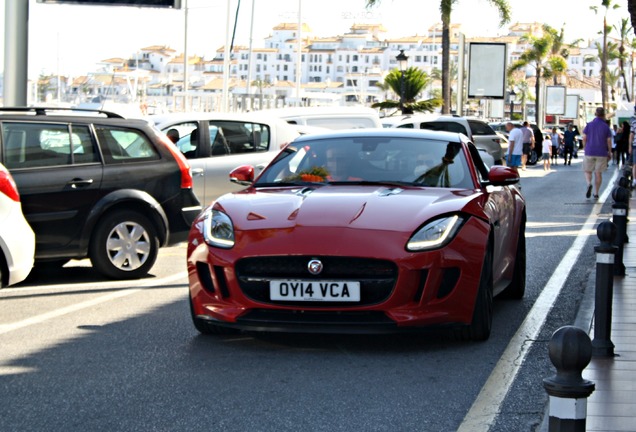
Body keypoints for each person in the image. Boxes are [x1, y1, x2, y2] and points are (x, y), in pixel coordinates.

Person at [582, 107, 613, 199]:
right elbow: (609, 141)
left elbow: (584, 138)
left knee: (587, 170)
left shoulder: (589, 125)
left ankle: (588, 183)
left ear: (595, 114)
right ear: (603, 115)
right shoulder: (606, 127)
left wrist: (585, 147)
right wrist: (610, 152)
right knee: (598, 173)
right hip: (602, 152)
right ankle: (596, 193)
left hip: (589, 151)